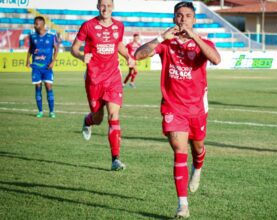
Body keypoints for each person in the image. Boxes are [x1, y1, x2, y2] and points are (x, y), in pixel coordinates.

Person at [135, 1, 221, 218]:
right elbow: (138, 55)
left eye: (188, 15)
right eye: (179, 15)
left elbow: (216, 59)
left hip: (197, 106)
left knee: (198, 146)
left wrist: (195, 37)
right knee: (178, 149)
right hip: (173, 106)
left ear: (194, 19)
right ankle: (182, 205)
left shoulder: (203, 42)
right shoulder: (166, 43)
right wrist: (161, 38)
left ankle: (198, 168)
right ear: (174, 19)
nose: (183, 19)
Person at [71, 0, 134, 171]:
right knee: (98, 118)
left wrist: (128, 56)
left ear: (113, 7)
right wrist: (80, 56)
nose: (105, 8)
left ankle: (115, 159)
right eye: (102, 5)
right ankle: (87, 120)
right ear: (97, 7)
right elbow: (74, 48)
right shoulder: (88, 26)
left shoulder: (119, 26)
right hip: (94, 78)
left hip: (113, 77)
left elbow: (118, 44)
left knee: (113, 115)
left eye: (109, 5)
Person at [26, 16, 59, 118]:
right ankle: (40, 111)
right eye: (34, 23)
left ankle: (52, 111)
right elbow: (30, 48)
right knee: (37, 87)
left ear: (42, 24)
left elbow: (56, 48)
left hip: (47, 67)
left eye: (36, 23)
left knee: (48, 86)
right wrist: (27, 60)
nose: (35, 25)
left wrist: (53, 61)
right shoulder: (32, 36)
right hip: (36, 66)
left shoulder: (52, 35)